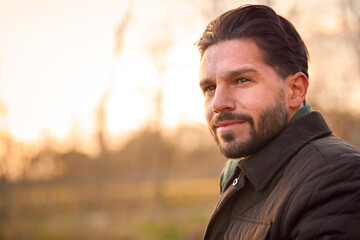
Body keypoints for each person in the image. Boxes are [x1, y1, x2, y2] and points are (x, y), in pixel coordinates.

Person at [196, 4, 360, 239]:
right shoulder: (237, 172)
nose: (218, 103)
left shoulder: (341, 178)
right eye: (210, 87)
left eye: (241, 80)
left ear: (295, 90)